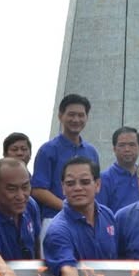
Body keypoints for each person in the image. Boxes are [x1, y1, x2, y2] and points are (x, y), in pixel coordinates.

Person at [43, 157, 117, 276]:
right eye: (70, 183)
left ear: (97, 185)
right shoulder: (58, 230)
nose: (77, 188)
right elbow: (67, 268)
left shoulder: (108, 215)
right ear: (63, 188)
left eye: (85, 182)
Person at [31, 94, 100, 229]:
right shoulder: (47, 150)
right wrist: (68, 208)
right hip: (55, 219)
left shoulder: (91, 152)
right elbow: (38, 190)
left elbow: (95, 186)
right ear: (60, 116)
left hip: (86, 220)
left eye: (81, 115)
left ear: (87, 117)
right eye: (71, 115)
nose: (76, 119)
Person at [97, 126, 139, 212]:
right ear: (114, 149)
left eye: (132, 145)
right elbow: (101, 213)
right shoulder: (104, 179)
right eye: (122, 145)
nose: (127, 149)